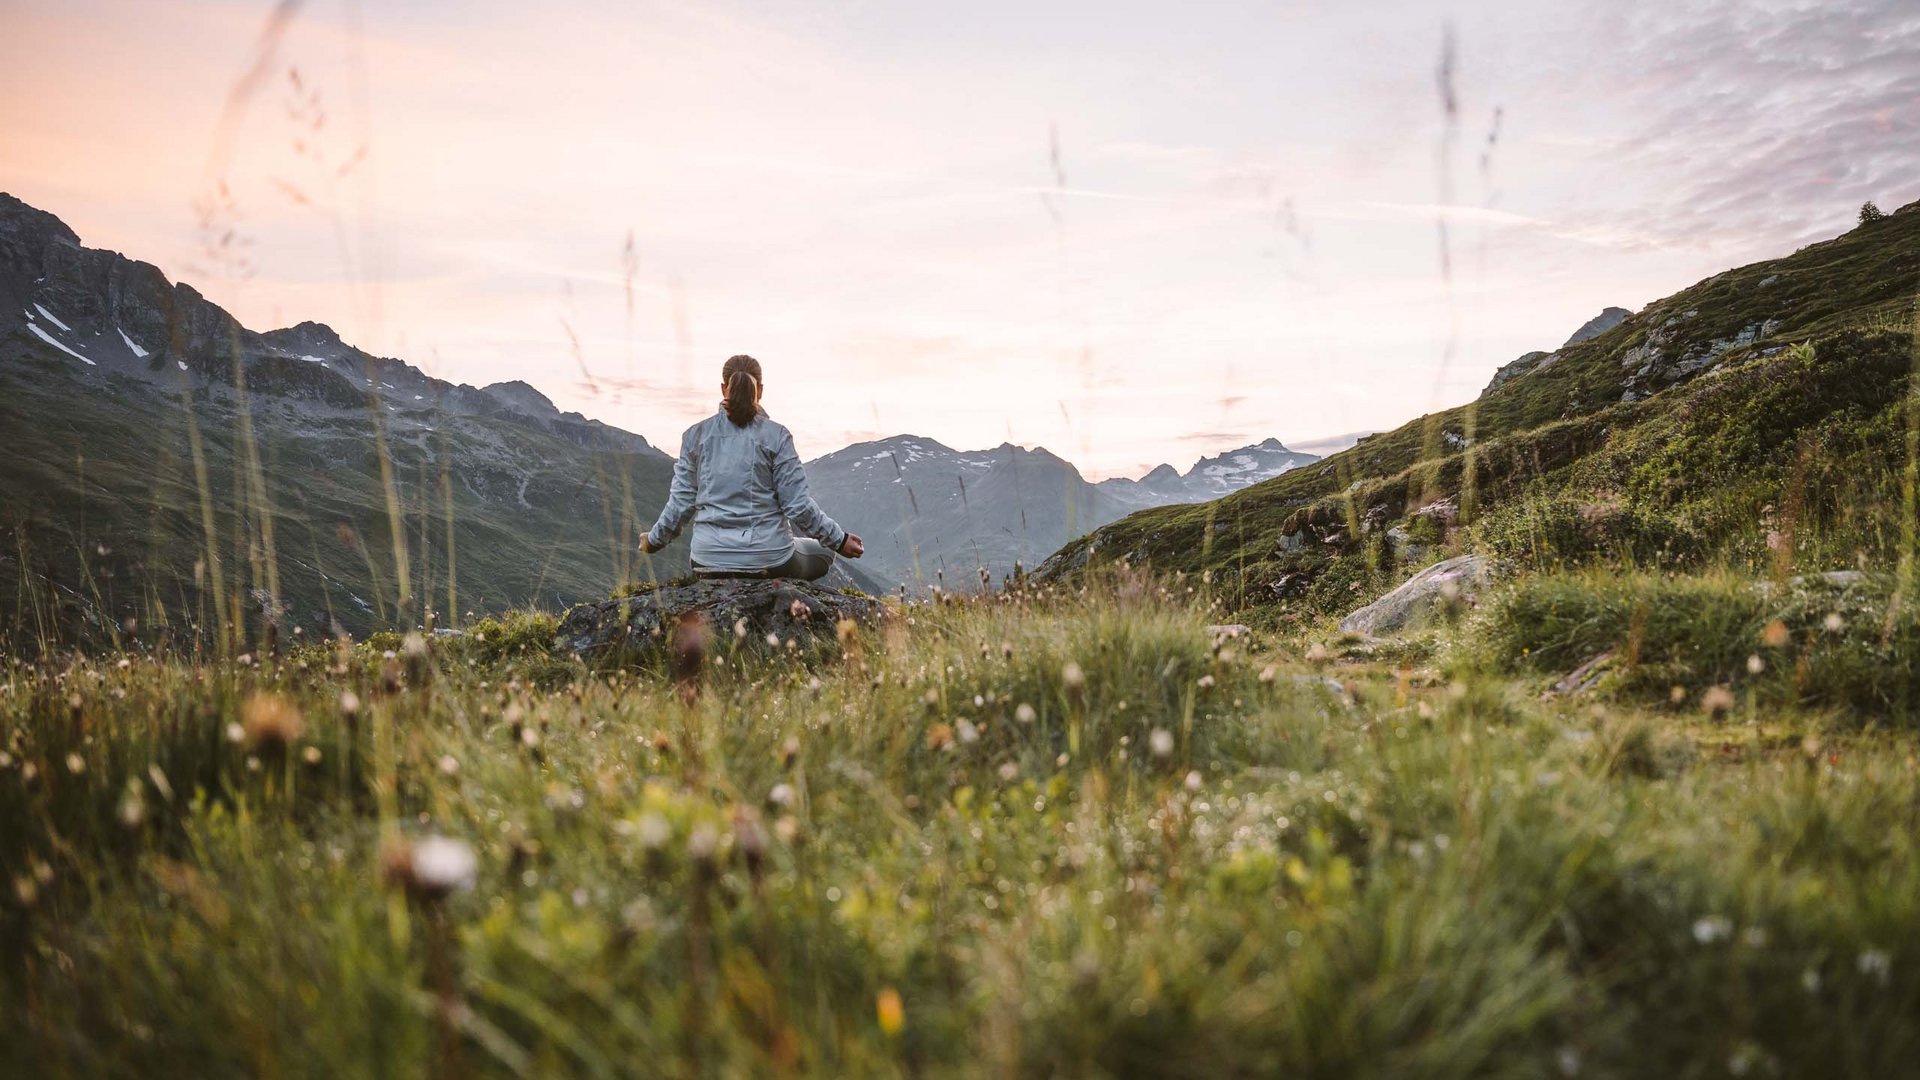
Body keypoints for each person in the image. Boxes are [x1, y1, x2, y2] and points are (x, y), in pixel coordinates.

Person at [639, 354, 864, 581]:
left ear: (723, 388)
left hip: (707, 558)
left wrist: (653, 540)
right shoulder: (778, 436)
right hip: (769, 558)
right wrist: (840, 541)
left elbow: (681, 504)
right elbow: (798, 506)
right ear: (761, 390)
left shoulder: (694, 436)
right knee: (824, 553)